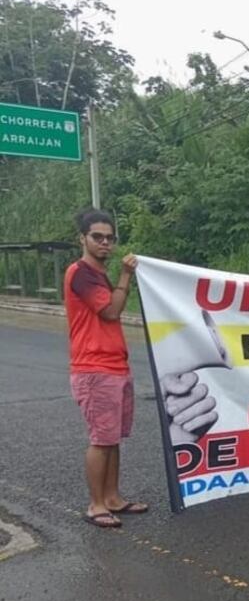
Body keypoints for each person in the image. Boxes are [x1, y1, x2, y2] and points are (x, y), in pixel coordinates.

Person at [65, 209, 147, 528]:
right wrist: (127, 276)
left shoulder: (99, 274)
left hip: (114, 365)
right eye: (97, 237)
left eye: (109, 238)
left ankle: (113, 497)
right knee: (101, 438)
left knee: (112, 437)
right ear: (82, 238)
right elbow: (111, 311)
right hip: (94, 368)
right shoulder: (82, 273)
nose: (104, 243)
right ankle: (96, 504)